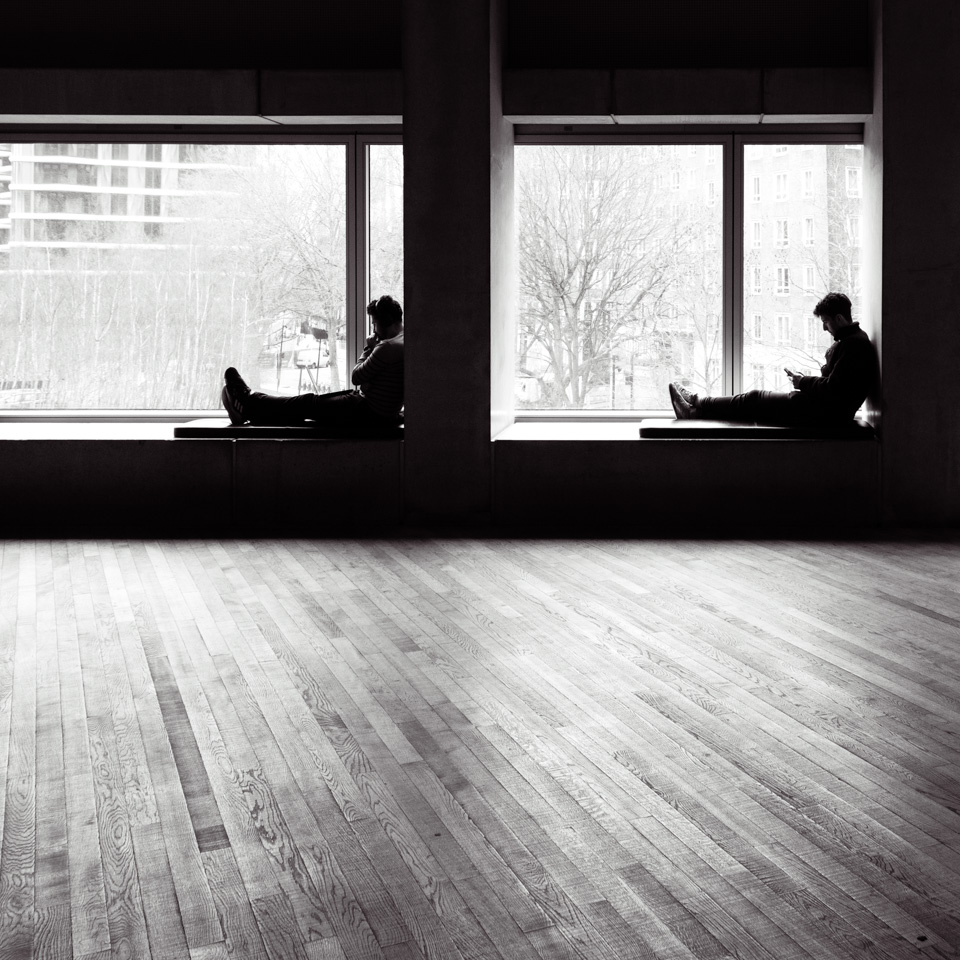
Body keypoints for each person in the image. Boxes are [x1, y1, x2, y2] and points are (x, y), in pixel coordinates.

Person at [668, 292, 878, 426]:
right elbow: (836, 383)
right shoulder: (852, 341)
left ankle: (696, 405)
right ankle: (696, 408)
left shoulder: (854, 345)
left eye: (826, 322)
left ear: (839, 319)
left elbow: (834, 390)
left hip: (823, 415)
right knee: (753, 400)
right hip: (820, 409)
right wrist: (803, 380)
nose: (824, 327)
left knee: (754, 399)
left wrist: (803, 382)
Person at [221, 294, 404, 432]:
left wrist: (368, 347)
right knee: (307, 404)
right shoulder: (404, 340)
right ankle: (251, 404)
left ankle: (247, 404)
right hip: (375, 411)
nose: (373, 329)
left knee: (306, 405)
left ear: (385, 322)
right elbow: (369, 381)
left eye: (374, 323)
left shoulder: (386, 347)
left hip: (366, 413)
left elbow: (356, 376)